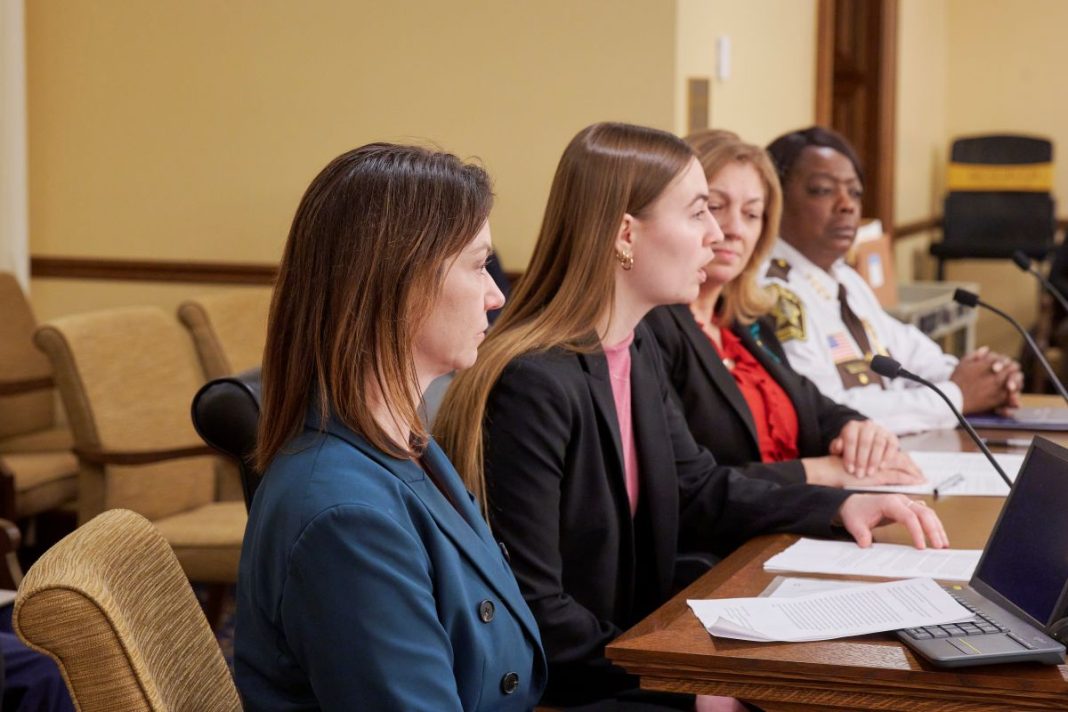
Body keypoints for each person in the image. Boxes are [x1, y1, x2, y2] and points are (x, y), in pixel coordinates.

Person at [436, 122, 948, 709]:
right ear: (625, 232)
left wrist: (843, 505)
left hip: (627, 656)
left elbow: (699, 490)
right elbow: (535, 609)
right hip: (575, 685)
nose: (718, 236)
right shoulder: (534, 382)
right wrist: (682, 680)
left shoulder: (636, 347)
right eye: (700, 212)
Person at [235, 144, 546, 710]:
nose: (497, 296)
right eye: (479, 266)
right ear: (401, 282)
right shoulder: (346, 516)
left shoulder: (400, 442)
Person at [644, 129, 923, 485]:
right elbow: (685, 486)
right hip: (732, 538)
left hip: (789, 525)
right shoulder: (654, 325)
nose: (732, 230)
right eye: (713, 208)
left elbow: (814, 408)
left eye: (751, 214)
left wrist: (858, 430)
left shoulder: (744, 320)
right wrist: (820, 473)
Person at [763, 126, 1023, 434]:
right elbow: (827, 409)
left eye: (855, 192)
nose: (847, 205)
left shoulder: (844, 277)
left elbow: (908, 350)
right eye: (823, 190)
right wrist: (956, 396)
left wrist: (986, 378)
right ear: (775, 198)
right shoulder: (770, 290)